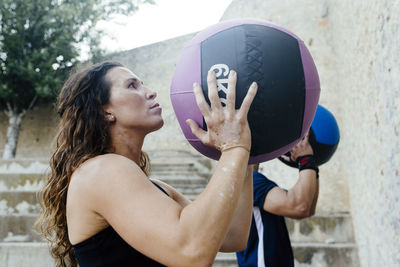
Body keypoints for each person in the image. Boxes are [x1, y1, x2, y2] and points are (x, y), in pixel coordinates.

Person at [37, 61, 259, 266]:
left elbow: (233, 236)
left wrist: (244, 157)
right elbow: (192, 251)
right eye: (132, 86)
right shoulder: (100, 170)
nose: (150, 91)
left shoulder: (156, 187)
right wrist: (233, 148)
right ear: (105, 111)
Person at [236, 132, 319, 267]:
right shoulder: (251, 182)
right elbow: (300, 207)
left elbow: (308, 208)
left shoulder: (247, 182)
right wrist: (305, 159)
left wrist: (310, 165)